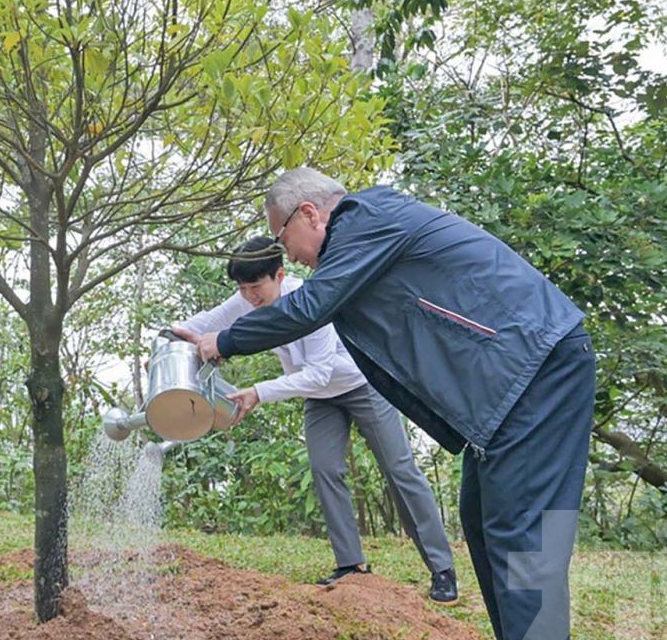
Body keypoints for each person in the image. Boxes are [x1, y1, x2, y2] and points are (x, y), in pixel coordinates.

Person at [176, 167, 594, 640]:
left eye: (284, 239)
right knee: (485, 521)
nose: (289, 256)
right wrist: (192, 334)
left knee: (523, 535)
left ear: (309, 213)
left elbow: (309, 305)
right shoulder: (363, 235)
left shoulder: (366, 221)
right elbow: (260, 306)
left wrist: (223, 344)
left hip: (536, 365)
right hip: (507, 386)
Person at [173, 235, 457, 603]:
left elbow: (319, 372)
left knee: (400, 470)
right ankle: (351, 565)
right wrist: (170, 343)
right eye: (242, 289)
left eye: (256, 286)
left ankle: (442, 569)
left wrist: (259, 392)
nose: (249, 297)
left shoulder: (309, 300)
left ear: (279, 274)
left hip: (361, 383)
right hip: (320, 399)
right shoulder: (245, 299)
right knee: (325, 470)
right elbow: (199, 324)